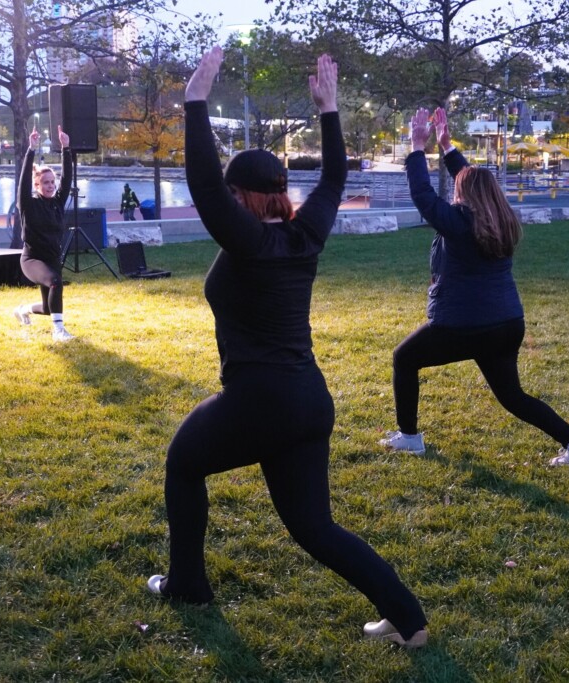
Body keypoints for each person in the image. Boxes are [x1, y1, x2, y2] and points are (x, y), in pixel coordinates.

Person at [147, 47, 429, 649]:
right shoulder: (306, 234)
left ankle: (188, 585)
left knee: (182, 462)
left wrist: (196, 100)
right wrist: (329, 111)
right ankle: (409, 620)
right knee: (313, 527)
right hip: (307, 400)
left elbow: (202, 182)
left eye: (230, 193)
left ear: (241, 197)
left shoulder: (247, 239)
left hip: (261, 398)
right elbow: (332, 179)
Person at [379, 107, 569, 468]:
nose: (453, 190)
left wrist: (417, 147)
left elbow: (422, 195)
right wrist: (447, 148)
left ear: (463, 193)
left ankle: (409, 437)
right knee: (512, 396)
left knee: (404, 358)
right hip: (506, 322)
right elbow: (473, 181)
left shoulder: (459, 223)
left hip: (465, 324)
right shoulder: (502, 218)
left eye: (457, 187)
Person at [12, 125, 76, 343]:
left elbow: (67, 180)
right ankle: (59, 331)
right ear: (37, 184)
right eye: (45, 183)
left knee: (49, 307)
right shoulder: (28, 204)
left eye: (52, 182)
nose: (50, 186)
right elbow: (22, 183)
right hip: (32, 259)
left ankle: (23, 309)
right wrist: (31, 149)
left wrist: (66, 148)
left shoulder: (57, 202)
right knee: (56, 282)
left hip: (52, 258)